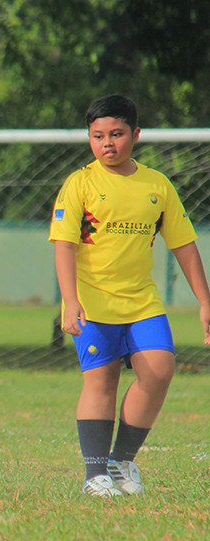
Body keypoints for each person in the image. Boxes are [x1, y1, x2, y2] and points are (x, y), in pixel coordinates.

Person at [49, 94, 210, 497]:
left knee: (159, 370)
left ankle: (122, 461)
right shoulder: (80, 183)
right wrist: (70, 300)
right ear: (89, 138)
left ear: (135, 135)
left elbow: (184, 246)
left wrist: (205, 301)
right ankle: (94, 475)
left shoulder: (157, 185)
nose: (107, 143)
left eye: (117, 134)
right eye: (98, 135)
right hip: (93, 301)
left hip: (142, 301)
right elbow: (63, 245)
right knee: (100, 382)